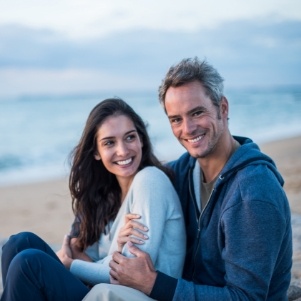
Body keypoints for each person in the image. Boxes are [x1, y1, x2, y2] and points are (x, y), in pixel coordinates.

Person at [87, 58, 292, 300]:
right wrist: (102, 233)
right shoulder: (184, 171)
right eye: (176, 119)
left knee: (100, 294)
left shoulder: (253, 191)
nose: (188, 128)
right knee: (31, 249)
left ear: (223, 108)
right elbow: (126, 176)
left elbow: (245, 297)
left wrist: (154, 283)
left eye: (197, 113)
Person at [1, 98, 186, 301]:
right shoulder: (107, 197)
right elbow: (98, 258)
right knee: (19, 243)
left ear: (141, 140)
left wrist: (71, 264)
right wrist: (111, 250)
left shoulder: (150, 180)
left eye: (130, 137)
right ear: (96, 152)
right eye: (109, 142)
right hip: (107, 290)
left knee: (28, 263)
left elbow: (127, 272)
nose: (123, 150)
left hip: (136, 296)